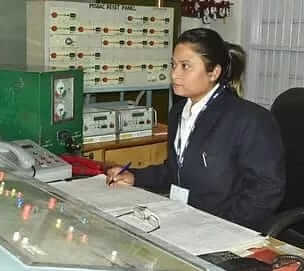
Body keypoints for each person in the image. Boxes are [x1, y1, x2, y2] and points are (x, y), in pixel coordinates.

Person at [106, 28, 286, 232]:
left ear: (214, 72)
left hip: (224, 229)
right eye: (173, 65)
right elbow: (176, 170)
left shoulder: (250, 119)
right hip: (183, 219)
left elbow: (267, 190)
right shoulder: (178, 112)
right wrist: (135, 177)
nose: (174, 74)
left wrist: (221, 227)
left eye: (185, 66)